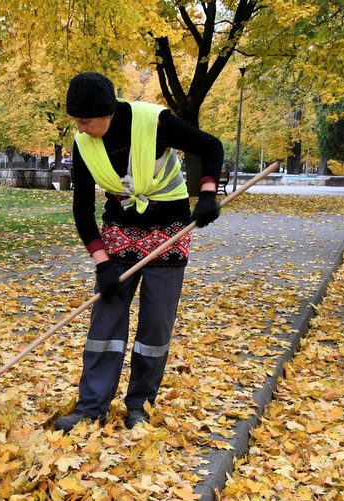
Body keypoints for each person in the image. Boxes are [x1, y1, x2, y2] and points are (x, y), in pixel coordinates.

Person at [54, 72, 225, 433]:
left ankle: (140, 405)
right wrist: (102, 264)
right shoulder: (83, 143)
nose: (81, 129)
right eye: (77, 122)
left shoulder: (154, 121)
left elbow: (211, 147)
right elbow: (82, 209)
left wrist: (208, 193)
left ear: (108, 112)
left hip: (170, 230)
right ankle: (91, 408)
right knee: (105, 321)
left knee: (155, 324)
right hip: (119, 231)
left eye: (85, 121)